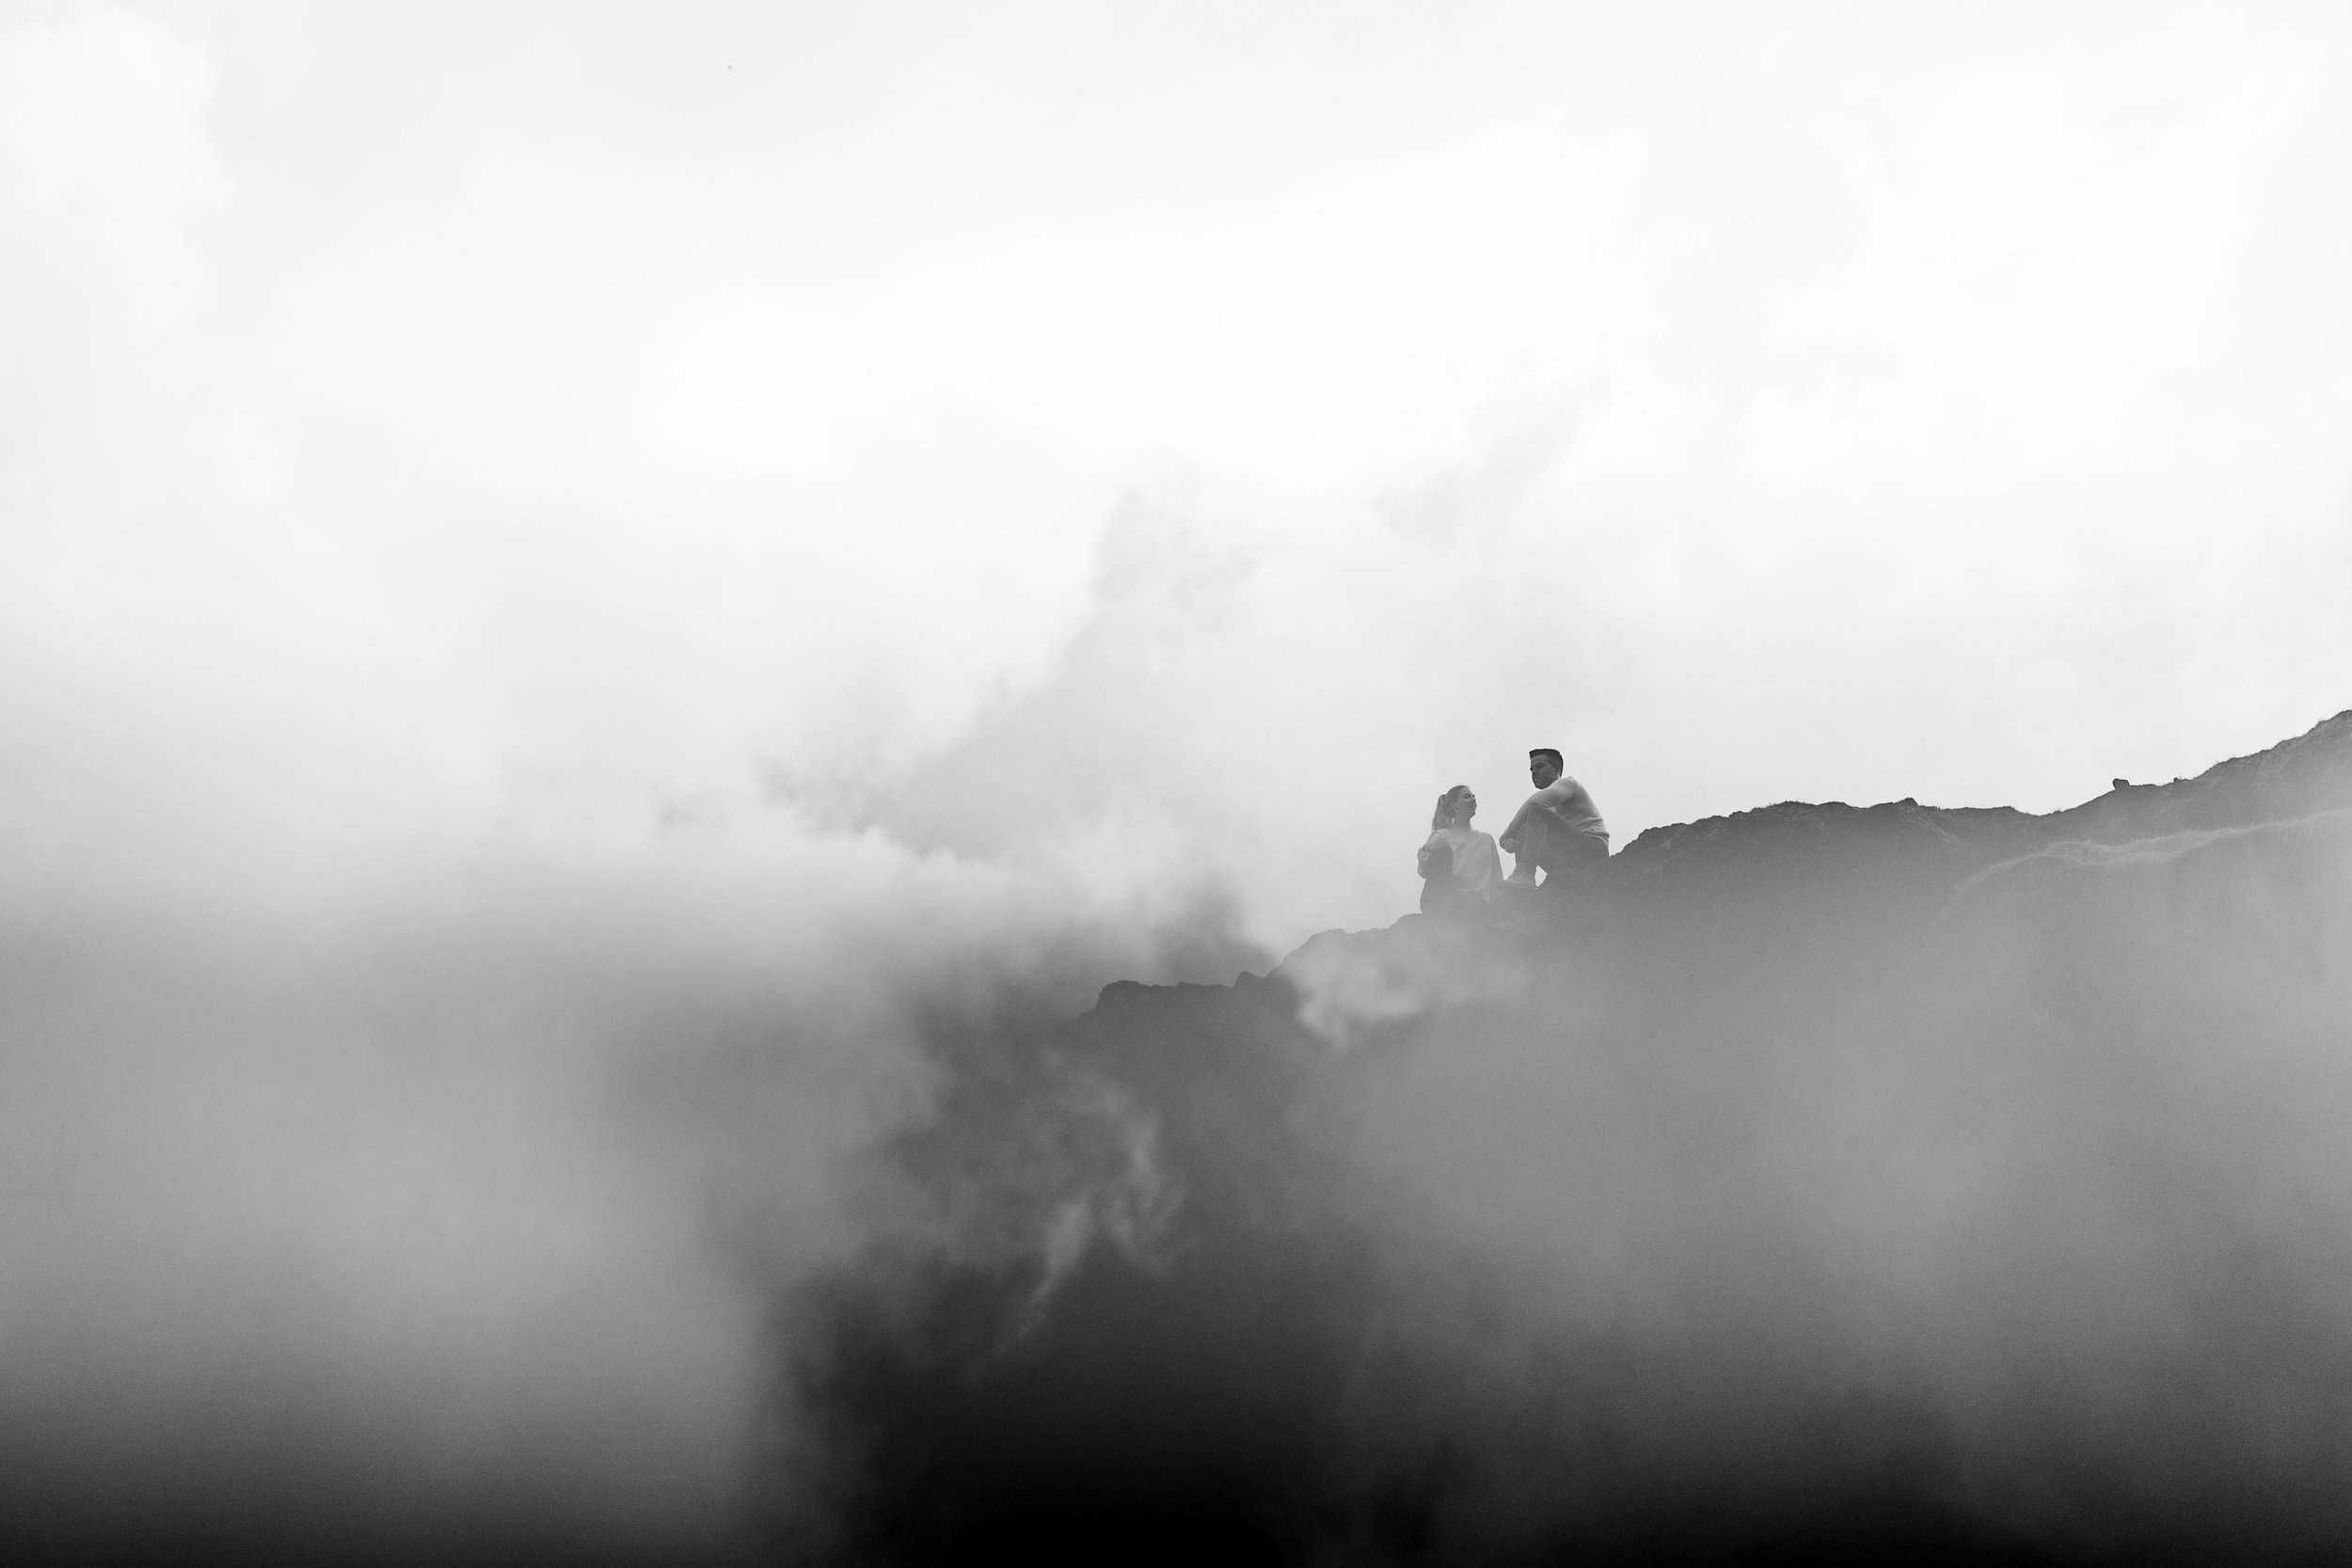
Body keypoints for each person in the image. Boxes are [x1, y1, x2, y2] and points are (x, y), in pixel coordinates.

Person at [1499, 748, 1609, 892]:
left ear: (1556, 768)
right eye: (1532, 769)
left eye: (1540, 766)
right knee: (1524, 830)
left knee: (1536, 813)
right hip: (1570, 858)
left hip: (1593, 851)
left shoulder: (1569, 784)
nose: (1534, 772)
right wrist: (1515, 842)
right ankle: (1524, 880)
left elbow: (1535, 804)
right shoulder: (1547, 810)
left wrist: (1508, 833)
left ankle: (1525, 874)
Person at [1417, 784, 1505, 917]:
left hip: (1480, 905)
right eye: (1466, 797)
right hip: (1451, 902)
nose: (1473, 800)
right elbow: (1424, 871)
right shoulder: (1440, 836)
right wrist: (1426, 849)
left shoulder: (1487, 839)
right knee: (1441, 852)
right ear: (1454, 805)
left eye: (1473, 797)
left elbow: (1496, 876)